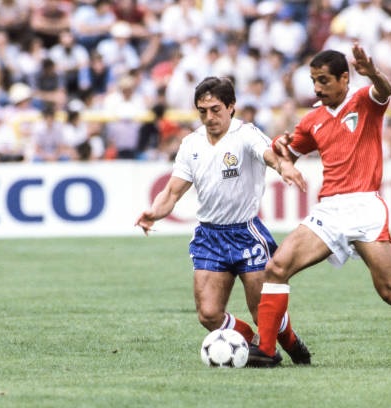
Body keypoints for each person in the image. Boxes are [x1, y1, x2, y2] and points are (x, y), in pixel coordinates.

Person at [247, 44, 391, 367]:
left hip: (365, 207)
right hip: (330, 210)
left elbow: (385, 90)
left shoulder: (364, 101)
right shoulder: (312, 120)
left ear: (344, 78)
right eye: (313, 81)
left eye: (323, 80)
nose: (317, 88)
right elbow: (286, 153)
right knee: (276, 268)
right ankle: (266, 350)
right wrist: (281, 149)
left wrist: (373, 73)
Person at [134, 76, 312, 365]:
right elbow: (172, 191)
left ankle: (291, 342)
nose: (209, 117)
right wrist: (154, 212)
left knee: (263, 314)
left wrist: (284, 167)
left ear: (231, 106)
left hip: (246, 233)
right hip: (210, 237)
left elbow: (269, 155)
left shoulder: (246, 134)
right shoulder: (191, 144)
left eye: (215, 109)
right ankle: (251, 345)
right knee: (209, 315)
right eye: (202, 111)